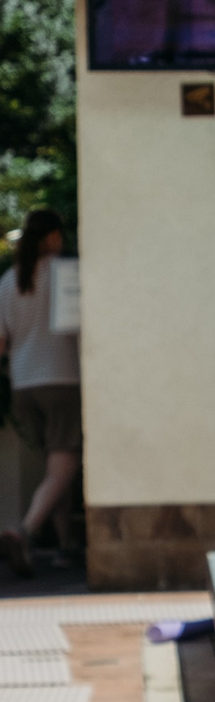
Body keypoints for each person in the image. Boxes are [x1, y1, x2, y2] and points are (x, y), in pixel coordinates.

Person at [0, 209, 80, 579]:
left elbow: (1, 343)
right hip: (62, 378)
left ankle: (64, 547)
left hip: (23, 384)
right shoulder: (68, 274)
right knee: (62, 467)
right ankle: (25, 531)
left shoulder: (7, 281)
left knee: (54, 469)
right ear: (52, 238)